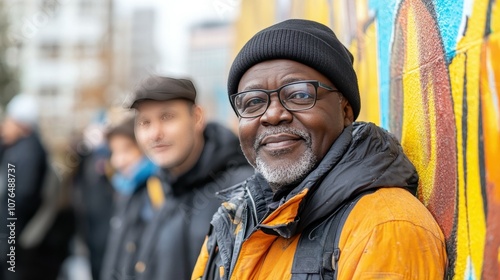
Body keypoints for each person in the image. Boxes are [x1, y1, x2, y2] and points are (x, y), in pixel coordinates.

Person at [192, 19, 447, 279]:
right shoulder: (231, 222)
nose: (273, 115)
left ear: (345, 110)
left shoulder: (385, 227)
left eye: (299, 94)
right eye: (253, 101)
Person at [101, 76, 253, 280]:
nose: (155, 133)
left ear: (197, 117)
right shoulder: (155, 188)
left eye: (167, 117)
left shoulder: (244, 189)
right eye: (145, 122)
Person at [0, 94, 72, 280]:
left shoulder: (26, 153)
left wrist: (7, 235)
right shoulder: (21, 148)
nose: (5, 126)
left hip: (15, 236)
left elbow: (21, 196)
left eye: (10, 121)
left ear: (22, 125)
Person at [100, 116, 158, 280]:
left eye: (126, 150)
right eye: (114, 152)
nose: (118, 161)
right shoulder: (126, 189)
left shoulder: (157, 191)